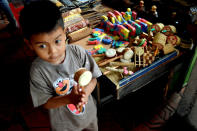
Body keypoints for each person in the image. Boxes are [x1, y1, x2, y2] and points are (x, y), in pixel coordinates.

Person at [19, 0, 102, 131]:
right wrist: (69, 98)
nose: (53, 51)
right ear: (29, 44)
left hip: (89, 115)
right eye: (42, 46)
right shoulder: (38, 71)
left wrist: (85, 93)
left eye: (57, 41)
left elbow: (93, 78)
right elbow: (46, 103)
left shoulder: (78, 52)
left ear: (64, 33)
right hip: (64, 124)